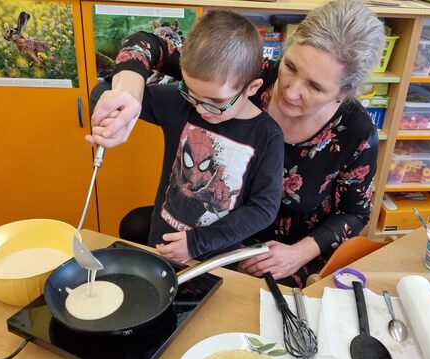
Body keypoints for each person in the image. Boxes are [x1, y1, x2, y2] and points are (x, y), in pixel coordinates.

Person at [88, 0, 385, 287]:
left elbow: (355, 213)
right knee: (137, 230)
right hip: (212, 225)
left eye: (315, 87)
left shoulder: (356, 133)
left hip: (282, 251)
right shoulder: (244, 72)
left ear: (343, 93)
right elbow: (147, 44)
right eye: (291, 66)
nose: (291, 91)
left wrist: (298, 254)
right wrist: (127, 95)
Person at [88, 10, 284, 263]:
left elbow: (263, 209)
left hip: (216, 260)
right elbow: (102, 89)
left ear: (252, 88)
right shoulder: (182, 104)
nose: (201, 109)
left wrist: (197, 243)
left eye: (216, 101)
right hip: (162, 244)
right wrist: (122, 103)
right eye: (191, 92)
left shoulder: (267, 135)